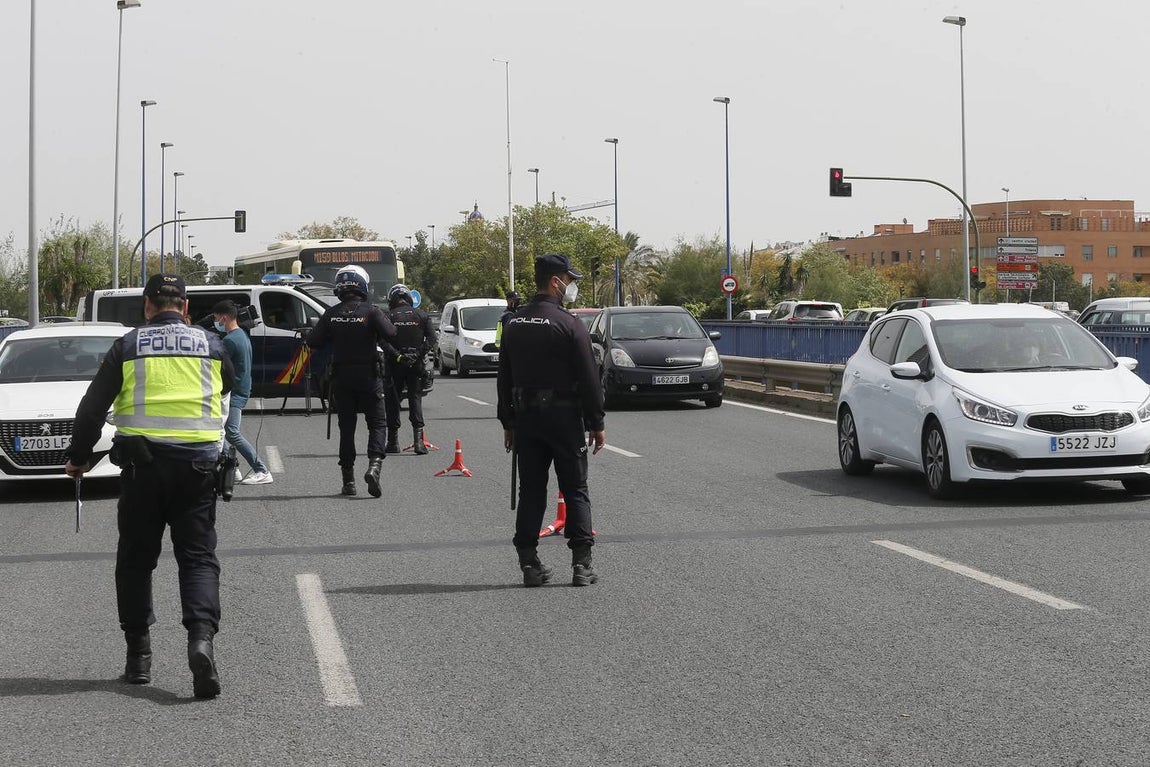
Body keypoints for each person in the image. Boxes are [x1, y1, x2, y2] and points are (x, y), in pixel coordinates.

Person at [64, 273, 235, 699]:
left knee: (136, 561)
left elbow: (91, 408)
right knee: (197, 559)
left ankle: (138, 659)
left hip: (143, 470)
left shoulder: (128, 345)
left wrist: (80, 457)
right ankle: (201, 641)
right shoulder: (211, 344)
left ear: (147, 305)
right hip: (197, 468)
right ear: (186, 307)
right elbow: (228, 385)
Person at [497, 254, 606, 588]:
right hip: (563, 417)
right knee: (575, 488)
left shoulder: (514, 323)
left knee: (532, 491)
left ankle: (529, 563)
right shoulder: (570, 324)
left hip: (527, 419)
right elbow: (589, 378)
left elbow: (505, 376)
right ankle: (581, 565)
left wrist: (508, 422)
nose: (571, 286)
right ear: (556, 281)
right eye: (569, 280)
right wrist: (596, 422)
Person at [307, 265, 398, 497]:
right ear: (363, 285)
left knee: (346, 430)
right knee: (377, 424)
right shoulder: (372, 311)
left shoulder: (331, 313)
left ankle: (348, 482)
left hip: (342, 379)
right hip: (369, 377)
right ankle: (374, 466)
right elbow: (392, 333)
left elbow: (314, 341)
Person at [212, 300, 273, 485]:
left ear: (224, 317)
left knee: (229, 432)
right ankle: (233, 468)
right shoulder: (241, 335)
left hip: (234, 392)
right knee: (222, 430)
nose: (215, 322)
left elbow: (220, 368)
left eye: (216, 318)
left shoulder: (230, 340)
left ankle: (261, 470)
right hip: (241, 389)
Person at [383, 284, 437, 455]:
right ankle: (418, 443)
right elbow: (432, 340)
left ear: (392, 299)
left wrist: (398, 355)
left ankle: (392, 443)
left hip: (395, 364)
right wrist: (417, 355)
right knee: (415, 400)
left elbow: (381, 341)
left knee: (393, 402)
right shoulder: (421, 315)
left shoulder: (388, 316)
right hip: (416, 365)